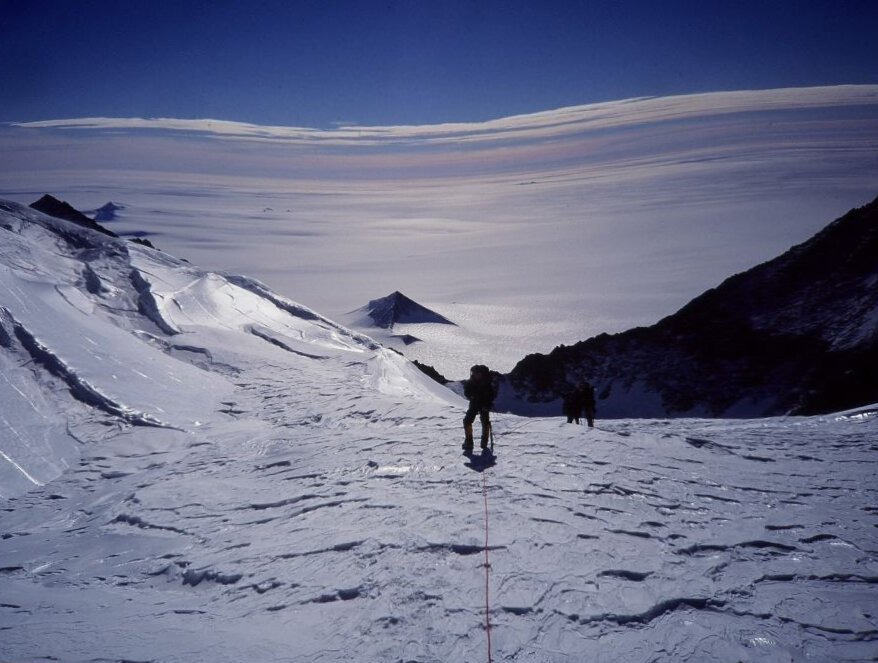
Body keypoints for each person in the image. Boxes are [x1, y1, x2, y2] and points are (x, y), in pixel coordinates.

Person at [463, 364, 496, 452]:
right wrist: (472, 396)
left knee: (485, 422)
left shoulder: (485, 383)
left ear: (481, 374)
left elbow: (491, 396)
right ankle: (470, 442)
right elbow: (466, 392)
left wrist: (487, 404)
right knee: (468, 421)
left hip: (483, 404)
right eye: (474, 373)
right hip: (475, 404)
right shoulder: (474, 381)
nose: (474, 375)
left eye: (476, 373)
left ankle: (483, 442)